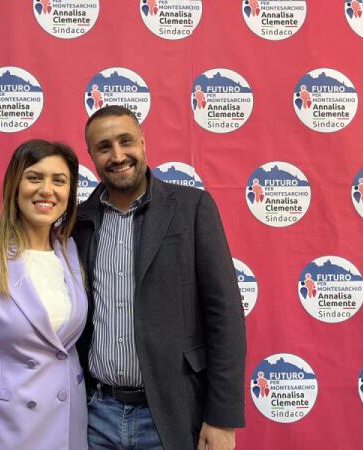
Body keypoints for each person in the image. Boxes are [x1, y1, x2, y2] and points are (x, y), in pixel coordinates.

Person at [73, 106, 246, 450]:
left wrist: (222, 419)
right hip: (95, 416)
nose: (117, 156)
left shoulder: (192, 208)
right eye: (104, 147)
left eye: (125, 141)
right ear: (91, 156)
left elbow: (225, 318)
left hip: (171, 414)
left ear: (143, 143)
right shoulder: (78, 223)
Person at [0, 139, 88, 450]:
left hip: (67, 424)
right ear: (15, 185)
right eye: (34, 178)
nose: (47, 190)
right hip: (2, 426)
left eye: (59, 181)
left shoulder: (72, 250)